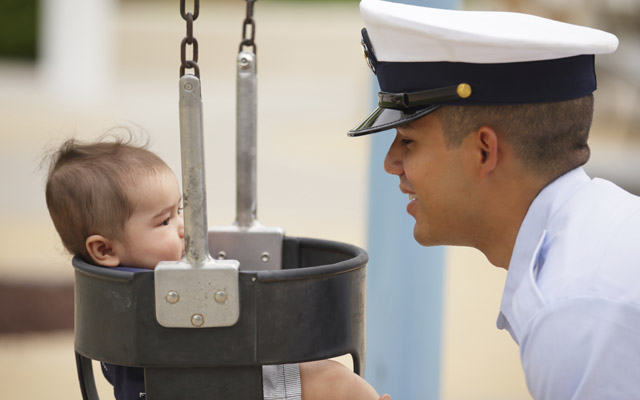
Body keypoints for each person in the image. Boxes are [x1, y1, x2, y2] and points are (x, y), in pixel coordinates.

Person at [349, 0, 640, 398]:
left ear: (484, 151)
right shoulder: (597, 241)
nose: (391, 163)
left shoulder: (577, 307)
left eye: (408, 140)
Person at [44, 136, 384, 400]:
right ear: (104, 249)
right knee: (335, 381)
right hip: (215, 384)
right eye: (163, 220)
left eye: (180, 210)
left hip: (206, 378)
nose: (183, 226)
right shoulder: (149, 292)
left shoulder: (109, 292)